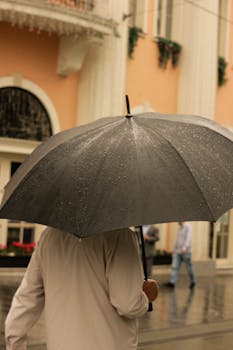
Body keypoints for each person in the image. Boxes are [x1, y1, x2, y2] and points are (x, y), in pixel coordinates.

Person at [5, 227, 159, 350]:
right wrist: (146, 296)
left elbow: (26, 298)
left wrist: (15, 343)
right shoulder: (119, 235)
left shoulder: (49, 236)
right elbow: (128, 305)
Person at [166, 222, 195, 289]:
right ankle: (172, 283)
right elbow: (178, 240)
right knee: (175, 267)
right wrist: (174, 249)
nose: (177, 222)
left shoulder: (188, 226)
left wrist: (184, 247)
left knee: (189, 267)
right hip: (177, 251)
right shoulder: (180, 228)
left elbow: (188, 237)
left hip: (186, 251)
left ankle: (193, 281)